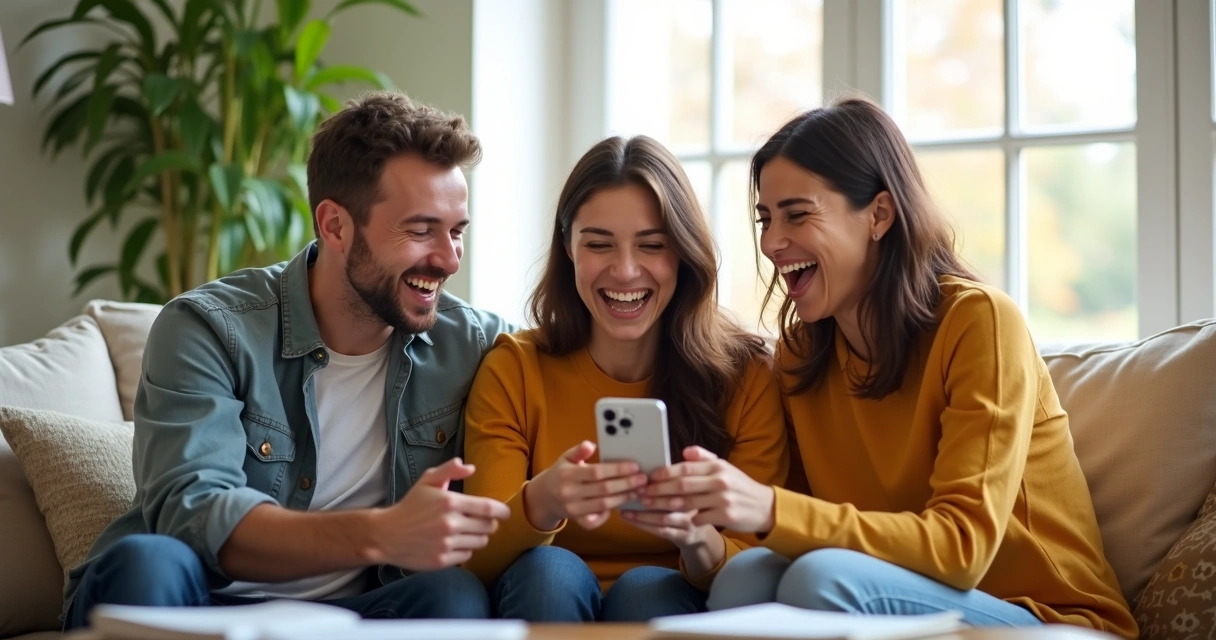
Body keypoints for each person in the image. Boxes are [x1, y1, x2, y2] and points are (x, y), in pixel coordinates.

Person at [635, 98, 1138, 636]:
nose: (771, 242)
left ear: (878, 215)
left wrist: (768, 508)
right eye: (766, 218)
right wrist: (702, 538)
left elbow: (962, 549)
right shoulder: (803, 353)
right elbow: (799, 527)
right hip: (904, 598)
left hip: (1051, 619)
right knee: (745, 578)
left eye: (797, 214)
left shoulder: (979, 322)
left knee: (821, 580)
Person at [63, 92, 514, 630]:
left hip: (348, 614)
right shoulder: (209, 328)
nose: (448, 259)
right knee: (147, 563)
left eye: (456, 232)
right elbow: (194, 514)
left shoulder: (472, 342)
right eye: (420, 231)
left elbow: (569, 359)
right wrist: (381, 533)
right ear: (335, 226)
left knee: (453, 595)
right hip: (199, 601)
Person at [461, 136, 788, 622]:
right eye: (598, 244)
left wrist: (695, 536)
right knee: (549, 572)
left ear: (683, 253)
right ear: (568, 248)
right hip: (544, 596)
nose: (626, 270)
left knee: (647, 590)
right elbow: (478, 561)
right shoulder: (515, 369)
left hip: (673, 598)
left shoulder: (745, 377)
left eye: (652, 245)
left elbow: (756, 567)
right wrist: (542, 502)